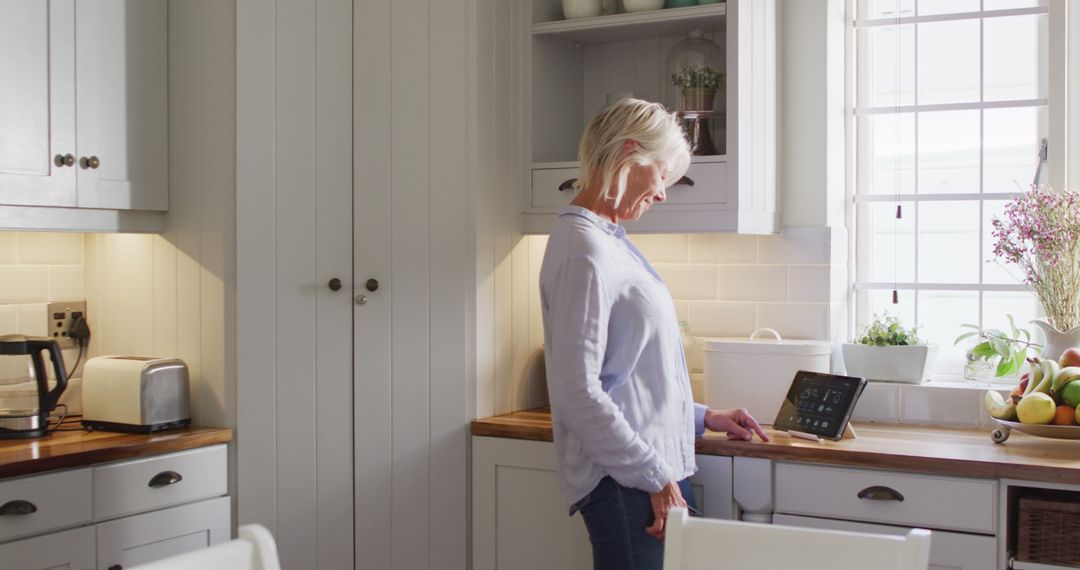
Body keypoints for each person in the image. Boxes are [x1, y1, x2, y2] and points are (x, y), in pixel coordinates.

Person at [539, 98, 769, 570]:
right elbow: (575, 392)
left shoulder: (608, 241)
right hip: (628, 482)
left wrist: (703, 417)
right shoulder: (583, 249)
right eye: (662, 174)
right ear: (629, 154)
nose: (663, 193)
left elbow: (630, 376)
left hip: (645, 475)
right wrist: (655, 477)